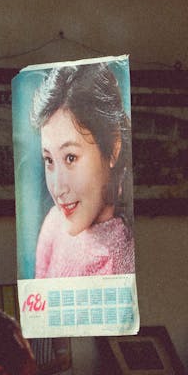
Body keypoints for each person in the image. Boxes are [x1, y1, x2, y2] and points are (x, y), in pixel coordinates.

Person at [31, 61, 135, 279]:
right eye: (49, 160)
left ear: (113, 147)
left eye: (71, 157)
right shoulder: (54, 223)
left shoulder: (124, 255)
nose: (58, 188)